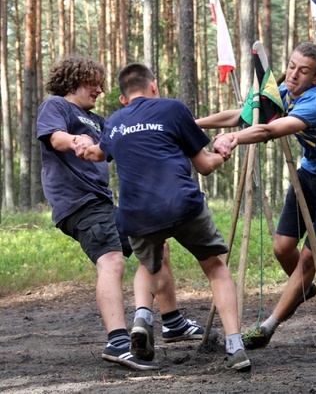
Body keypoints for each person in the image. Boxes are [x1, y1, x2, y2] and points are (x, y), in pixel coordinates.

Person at [37, 56, 205, 372]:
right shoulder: (56, 106)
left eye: (101, 84)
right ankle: (117, 342)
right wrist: (75, 139)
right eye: (94, 83)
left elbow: (143, 133)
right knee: (111, 260)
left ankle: (172, 322)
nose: (100, 90)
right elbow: (56, 138)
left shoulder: (100, 119)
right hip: (79, 204)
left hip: (103, 203)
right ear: (75, 80)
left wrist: (223, 121)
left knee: (157, 245)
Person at [81, 62, 251, 372]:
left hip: (136, 212)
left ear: (123, 98)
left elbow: (97, 152)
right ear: (154, 86)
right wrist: (223, 154)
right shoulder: (173, 109)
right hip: (181, 204)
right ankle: (235, 345)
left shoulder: (115, 122)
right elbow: (204, 165)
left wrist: (82, 145)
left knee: (149, 264)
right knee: (215, 267)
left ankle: (142, 318)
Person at [197, 42, 316, 349]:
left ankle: (267, 326)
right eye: (291, 66)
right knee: (282, 248)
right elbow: (243, 115)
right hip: (311, 173)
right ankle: (304, 287)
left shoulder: (315, 104)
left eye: (303, 71)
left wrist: (233, 139)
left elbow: (268, 131)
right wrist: (194, 124)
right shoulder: (285, 94)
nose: (293, 75)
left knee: (307, 257)